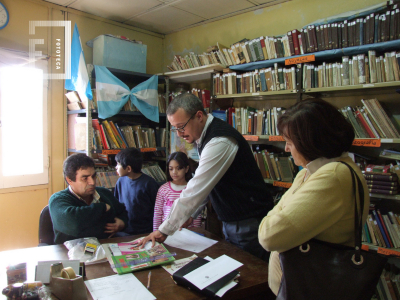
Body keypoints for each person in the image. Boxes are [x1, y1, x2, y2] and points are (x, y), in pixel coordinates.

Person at [139, 93, 274, 260]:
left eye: (182, 126)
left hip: (248, 222)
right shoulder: (205, 137)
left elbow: (196, 188)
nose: (179, 134)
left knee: (252, 276)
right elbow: (207, 184)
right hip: (234, 220)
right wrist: (190, 214)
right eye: (175, 128)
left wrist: (164, 230)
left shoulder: (220, 141)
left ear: (199, 116)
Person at [258, 98, 370, 295]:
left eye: (290, 143)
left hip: (312, 289)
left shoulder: (333, 176)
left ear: (311, 143)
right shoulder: (310, 172)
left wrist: (276, 214)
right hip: (296, 287)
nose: (286, 149)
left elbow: (269, 235)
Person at [49, 154, 128, 244]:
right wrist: (102, 208)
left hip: (105, 248)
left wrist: (122, 223)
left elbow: (122, 212)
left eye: (93, 176)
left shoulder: (104, 193)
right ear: (70, 180)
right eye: (85, 178)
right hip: (71, 253)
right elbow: (75, 224)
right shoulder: (57, 200)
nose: (92, 182)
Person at [114, 147, 159, 235]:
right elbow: (116, 205)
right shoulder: (120, 181)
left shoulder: (149, 183)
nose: (116, 167)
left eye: (118, 164)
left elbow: (157, 209)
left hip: (144, 232)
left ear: (128, 169)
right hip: (124, 230)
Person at [153, 152, 202, 231]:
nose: (174, 172)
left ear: (186, 169)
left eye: (178, 168)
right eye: (171, 169)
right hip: (166, 234)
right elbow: (157, 214)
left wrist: (196, 233)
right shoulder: (163, 189)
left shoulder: (192, 189)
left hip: (187, 234)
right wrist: (156, 233)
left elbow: (196, 215)